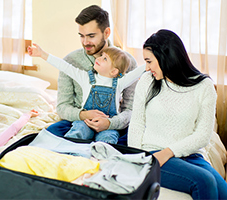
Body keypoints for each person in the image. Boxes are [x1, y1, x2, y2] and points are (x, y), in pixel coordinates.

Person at [128, 29, 227, 199]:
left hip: (190, 155)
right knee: (204, 181)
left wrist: (168, 152)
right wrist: (139, 160)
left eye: (149, 61)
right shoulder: (146, 81)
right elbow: (136, 124)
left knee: (223, 191)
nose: (147, 67)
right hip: (153, 153)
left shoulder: (204, 86)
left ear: (166, 57)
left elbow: (203, 135)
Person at [46, 5, 138, 145]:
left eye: (91, 36)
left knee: (133, 143)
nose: (85, 42)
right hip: (78, 121)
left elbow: (130, 109)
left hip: (113, 124)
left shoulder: (128, 62)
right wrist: (84, 115)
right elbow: (63, 106)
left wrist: (109, 123)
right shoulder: (70, 61)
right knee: (47, 139)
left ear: (106, 33)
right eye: (81, 36)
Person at [28, 44, 144, 144]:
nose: (99, 58)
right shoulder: (85, 78)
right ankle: (70, 153)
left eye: (105, 59)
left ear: (114, 71)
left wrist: (149, 64)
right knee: (77, 132)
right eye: (102, 55)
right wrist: (42, 54)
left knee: (108, 139)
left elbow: (136, 73)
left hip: (107, 125)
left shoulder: (120, 83)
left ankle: (98, 159)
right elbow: (64, 66)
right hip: (85, 122)